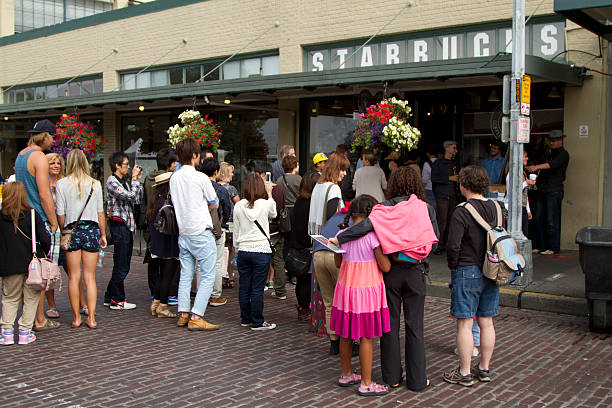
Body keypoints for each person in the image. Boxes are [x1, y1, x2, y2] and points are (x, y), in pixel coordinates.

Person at [332, 166, 438, 392]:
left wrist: (340, 239)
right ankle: (418, 379)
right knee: (415, 326)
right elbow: (434, 240)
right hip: (416, 271)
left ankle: (392, 377)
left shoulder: (385, 209)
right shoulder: (425, 208)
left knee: (390, 326)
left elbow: (364, 227)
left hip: (391, 272)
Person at [443, 165, 500, 387]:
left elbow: (453, 245)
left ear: (463, 185)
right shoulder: (497, 207)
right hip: (492, 269)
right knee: (487, 321)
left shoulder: (462, 210)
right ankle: (484, 368)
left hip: (467, 268)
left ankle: (465, 372)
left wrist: (454, 266)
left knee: (465, 323)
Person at [332, 195, 391, 397]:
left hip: (346, 290)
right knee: (367, 336)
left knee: (345, 333)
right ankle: (366, 382)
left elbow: (338, 263)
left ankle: (346, 373)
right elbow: (385, 266)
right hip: (367, 291)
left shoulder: (341, 234)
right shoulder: (373, 237)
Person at [15, 119, 61, 332]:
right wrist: (53, 222)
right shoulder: (40, 157)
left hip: (21, 217)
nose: (53, 141)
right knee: (40, 271)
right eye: (52, 136)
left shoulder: (21, 155)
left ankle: (30, 316)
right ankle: (39, 319)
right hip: (37, 219)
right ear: (44, 135)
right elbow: (44, 194)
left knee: (28, 271)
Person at [171, 138, 220, 330]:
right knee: (208, 275)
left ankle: (183, 313)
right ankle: (197, 315)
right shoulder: (200, 178)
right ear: (194, 156)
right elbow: (214, 201)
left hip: (183, 232)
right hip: (201, 230)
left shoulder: (174, 178)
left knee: (186, 273)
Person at [56, 149, 106, 329]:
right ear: (86, 162)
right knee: (90, 277)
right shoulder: (95, 184)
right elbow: (100, 212)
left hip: (72, 230)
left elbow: (60, 213)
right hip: (91, 229)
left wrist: (65, 230)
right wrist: (103, 234)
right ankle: (91, 318)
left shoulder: (62, 184)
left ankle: (76, 317)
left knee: (74, 277)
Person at [0, 182, 51, 345]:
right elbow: (44, 239)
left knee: (9, 298)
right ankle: (24, 332)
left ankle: (7, 333)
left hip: (8, 264)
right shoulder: (32, 214)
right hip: (32, 264)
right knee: (31, 298)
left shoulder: (0, 216)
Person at [308, 154, 349, 350]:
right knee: (343, 300)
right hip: (332, 248)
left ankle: (333, 341)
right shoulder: (333, 189)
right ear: (335, 169)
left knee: (328, 301)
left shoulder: (317, 186)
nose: (345, 173)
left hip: (317, 247)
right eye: (342, 169)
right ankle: (346, 342)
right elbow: (335, 220)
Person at [233, 173, 277, 330]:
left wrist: (237, 249)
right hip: (261, 250)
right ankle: (257, 321)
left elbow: (236, 232)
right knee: (257, 288)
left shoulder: (238, 206)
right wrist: (270, 193)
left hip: (244, 249)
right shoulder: (264, 204)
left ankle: (246, 318)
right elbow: (274, 213)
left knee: (244, 286)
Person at [104, 152, 143, 310]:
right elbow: (130, 196)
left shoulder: (125, 181)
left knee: (122, 263)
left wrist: (136, 181)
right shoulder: (112, 181)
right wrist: (134, 181)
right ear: (117, 166)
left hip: (126, 226)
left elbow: (137, 199)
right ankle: (117, 299)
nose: (128, 167)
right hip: (119, 226)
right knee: (121, 264)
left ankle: (110, 295)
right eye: (126, 164)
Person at [144, 148, 178, 306]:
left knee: (159, 271)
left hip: (156, 239)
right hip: (168, 240)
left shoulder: (154, 198)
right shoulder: (167, 202)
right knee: (167, 273)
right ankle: (162, 305)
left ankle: (155, 302)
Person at [527, 131, 570, 255]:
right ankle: (541, 246)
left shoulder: (563, 154)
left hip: (554, 190)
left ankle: (553, 247)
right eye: (551, 141)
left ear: (560, 141)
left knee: (552, 220)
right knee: (539, 218)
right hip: (543, 189)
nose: (552, 143)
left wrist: (536, 167)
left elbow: (552, 165)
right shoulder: (549, 153)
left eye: (555, 140)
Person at [288, 172, 320, 321]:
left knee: (301, 280)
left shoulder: (299, 201)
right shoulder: (314, 204)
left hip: (297, 244)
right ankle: (306, 309)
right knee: (308, 279)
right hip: (308, 246)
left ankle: (302, 307)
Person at [201, 157, 231, 307]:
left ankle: (201, 294)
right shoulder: (221, 190)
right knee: (218, 261)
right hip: (217, 229)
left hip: (200, 228)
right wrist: (222, 224)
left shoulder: (197, 187)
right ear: (216, 172)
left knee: (200, 262)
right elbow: (227, 210)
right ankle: (215, 294)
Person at [43, 152, 65, 320]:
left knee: (73, 271)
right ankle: (51, 305)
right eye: (53, 163)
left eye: (58, 163)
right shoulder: (41, 185)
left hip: (66, 231)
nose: (56, 166)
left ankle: (81, 303)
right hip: (50, 231)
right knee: (49, 270)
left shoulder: (64, 183)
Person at [431, 140, 459, 254]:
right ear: (447, 148)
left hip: (452, 194)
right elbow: (434, 178)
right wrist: (449, 178)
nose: (455, 150)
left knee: (451, 220)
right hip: (442, 195)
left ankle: (447, 244)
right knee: (442, 221)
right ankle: (438, 245)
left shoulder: (454, 162)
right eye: (453, 148)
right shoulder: (438, 163)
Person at [218, 161, 240, 288]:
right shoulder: (231, 189)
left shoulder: (215, 187)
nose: (233, 175)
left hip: (219, 224)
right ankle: (230, 276)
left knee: (221, 252)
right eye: (231, 172)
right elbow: (239, 203)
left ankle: (220, 277)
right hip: (230, 224)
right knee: (230, 251)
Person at [504, 150, 535, 236]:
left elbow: (524, 194)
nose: (527, 158)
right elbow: (512, 192)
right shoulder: (511, 174)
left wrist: (528, 209)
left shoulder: (522, 173)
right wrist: (526, 183)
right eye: (525, 156)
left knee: (524, 234)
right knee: (517, 235)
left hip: (522, 207)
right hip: (514, 208)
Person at [422, 146, 438, 211]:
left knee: (431, 208)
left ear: (427, 154)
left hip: (429, 188)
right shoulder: (440, 162)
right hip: (439, 188)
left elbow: (425, 179)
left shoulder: (427, 164)